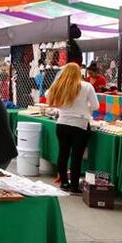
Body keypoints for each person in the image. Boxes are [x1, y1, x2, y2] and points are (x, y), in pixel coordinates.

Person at [46, 62, 100, 193]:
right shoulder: (86, 86)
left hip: (62, 123)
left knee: (63, 154)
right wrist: (84, 107)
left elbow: (48, 95)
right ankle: (75, 186)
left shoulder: (58, 86)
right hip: (80, 125)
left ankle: (64, 182)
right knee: (76, 156)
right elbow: (96, 106)